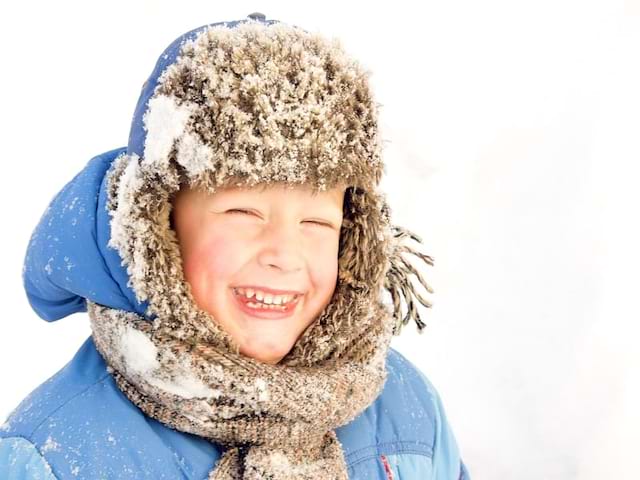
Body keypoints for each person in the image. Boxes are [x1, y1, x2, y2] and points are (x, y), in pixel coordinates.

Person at [0, 14, 471, 479]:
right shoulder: (56, 457)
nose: (284, 254)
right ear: (156, 227)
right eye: (243, 213)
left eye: (316, 221)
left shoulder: (406, 411)